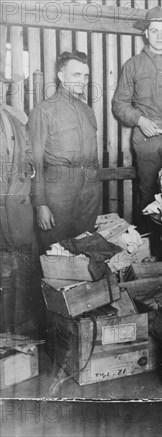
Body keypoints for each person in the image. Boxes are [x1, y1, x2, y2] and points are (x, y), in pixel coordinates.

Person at [112, 6, 162, 229]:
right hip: (147, 137)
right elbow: (119, 104)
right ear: (146, 33)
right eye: (154, 30)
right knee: (148, 191)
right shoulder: (133, 65)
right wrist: (139, 120)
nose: (159, 36)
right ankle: (148, 248)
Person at [28, 51, 101, 250]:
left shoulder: (88, 112)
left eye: (85, 76)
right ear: (61, 76)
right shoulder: (43, 111)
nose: (83, 81)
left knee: (85, 251)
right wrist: (40, 204)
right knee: (56, 254)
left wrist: (95, 192)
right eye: (76, 75)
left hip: (89, 191)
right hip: (58, 193)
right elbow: (34, 162)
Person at [1, 70, 41, 334]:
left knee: (22, 275)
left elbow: (27, 151)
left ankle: (18, 337)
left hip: (18, 212)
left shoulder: (14, 117)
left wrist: (28, 166)